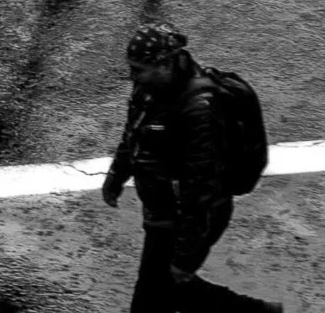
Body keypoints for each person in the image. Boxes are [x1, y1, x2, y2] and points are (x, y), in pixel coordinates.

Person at [102, 23, 283, 313]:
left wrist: (186, 257)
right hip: (162, 208)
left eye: (138, 69)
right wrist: (116, 174)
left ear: (164, 64)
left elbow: (202, 188)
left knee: (156, 296)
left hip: (183, 217)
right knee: (167, 290)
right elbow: (134, 132)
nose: (132, 76)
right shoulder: (149, 87)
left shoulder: (200, 109)